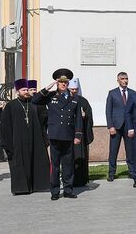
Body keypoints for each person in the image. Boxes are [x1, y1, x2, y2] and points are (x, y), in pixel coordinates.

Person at [32, 68, 83, 200]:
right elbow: (35, 100)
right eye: (60, 82)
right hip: (55, 135)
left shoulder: (75, 98)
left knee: (68, 164)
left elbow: (78, 119)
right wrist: (48, 87)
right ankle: (54, 191)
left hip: (68, 135)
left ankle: (68, 190)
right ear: (57, 83)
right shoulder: (51, 96)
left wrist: (78, 135)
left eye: (65, 82)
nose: (63, 84)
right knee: (54, 165)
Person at [0, 79, 50, 194]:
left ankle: (38, 186)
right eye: (23, 90)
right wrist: (7, 144)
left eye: (27, 89)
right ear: (17, 91)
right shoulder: (11, 105)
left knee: (36, 161)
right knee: (20, 163)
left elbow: (43, 121)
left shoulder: (33, 103)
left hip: (35, 138)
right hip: (18, 140)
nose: (26, 92)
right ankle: (21, 188)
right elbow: (5, 126)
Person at [105, 72, 136, 181]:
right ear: (118, 80)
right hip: (116, 126)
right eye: (122, 79)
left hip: (129, 126)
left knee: (130, 150)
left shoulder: (133, 93)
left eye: (126, 78)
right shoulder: (112, 93)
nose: (125, 80)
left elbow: (135, 111)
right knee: (113, 151)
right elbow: (108, 111)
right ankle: (112, 173)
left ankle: (132, 171)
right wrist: (110, 126)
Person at [68, 78, 94, 187]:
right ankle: (69, 179)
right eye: (72, 89)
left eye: (76, 89)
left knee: (80, 157)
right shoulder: (64, 100)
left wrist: (85, 117)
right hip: (68, 134)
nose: (74, 91)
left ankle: (81, 180)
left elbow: (89, 115)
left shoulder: (83, 101)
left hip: (80, 135)